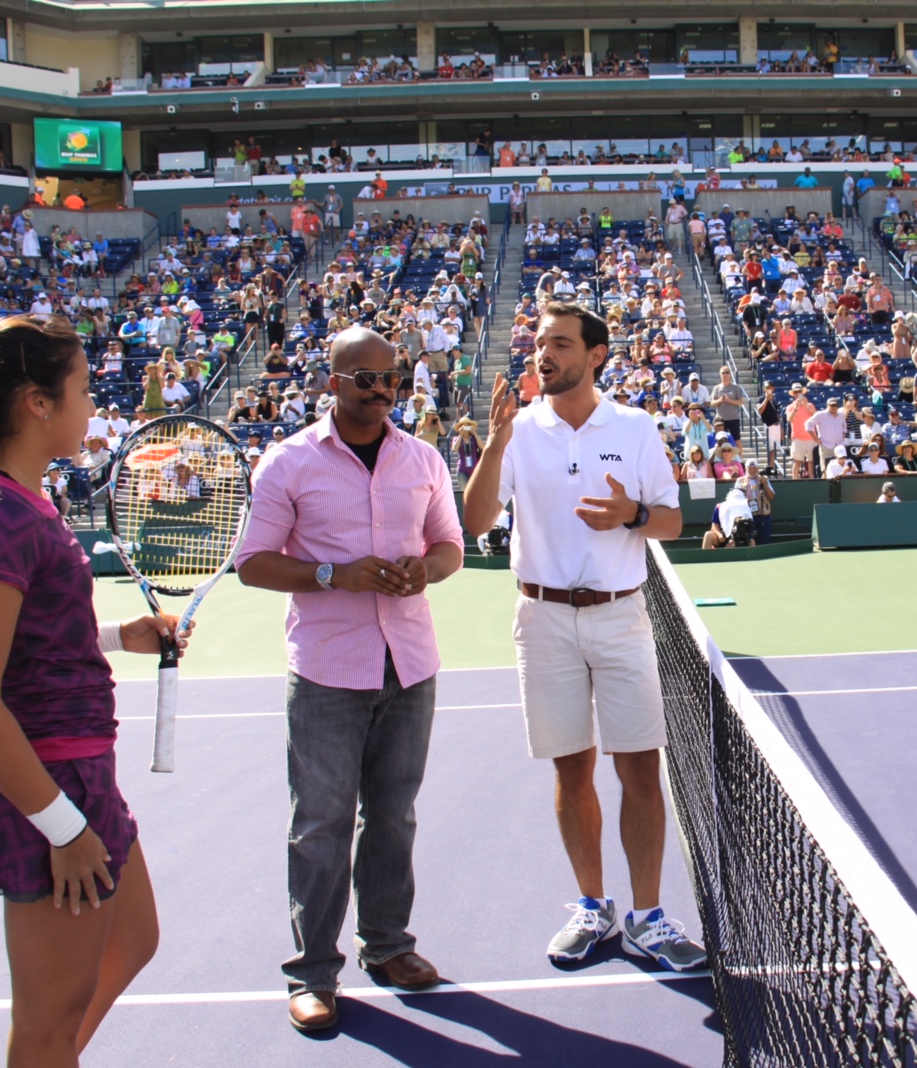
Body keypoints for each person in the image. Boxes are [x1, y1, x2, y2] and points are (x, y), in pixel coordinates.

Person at [0, 317, 190, 1064]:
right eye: (84, 390)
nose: (93, 406)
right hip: (48, 788)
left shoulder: (19, 503)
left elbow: (23, 640)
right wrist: (62, 828)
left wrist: (111, 637)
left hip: (78, 775)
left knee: (132, 941)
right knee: (45, 1023)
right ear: (37, 402)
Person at [460, 303, 705, 973]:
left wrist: (632, 514)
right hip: (541, 619)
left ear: (596, 355)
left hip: (620, 616)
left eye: (561, 345)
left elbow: (672, 524)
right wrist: (494, 440)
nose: (545, 355)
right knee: (572, 769)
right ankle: (593, 907)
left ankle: (648, 916)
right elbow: (477, 520)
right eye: (540, 344)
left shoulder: (633, 426)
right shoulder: (518, 432)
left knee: (639, 770)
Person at [235, 327, 465, 1033]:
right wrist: (334, 574)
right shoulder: (288, 463)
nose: (382, 389)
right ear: (332, 383)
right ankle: (312, 973)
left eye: (391, 378)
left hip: (409, 664)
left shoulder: (423, 458)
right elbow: (253, 562)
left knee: (393, 815)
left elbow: (449, 547)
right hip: (329, 674)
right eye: (365, 378)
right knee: (321, 825)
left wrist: (423, 570)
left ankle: (389, 947)